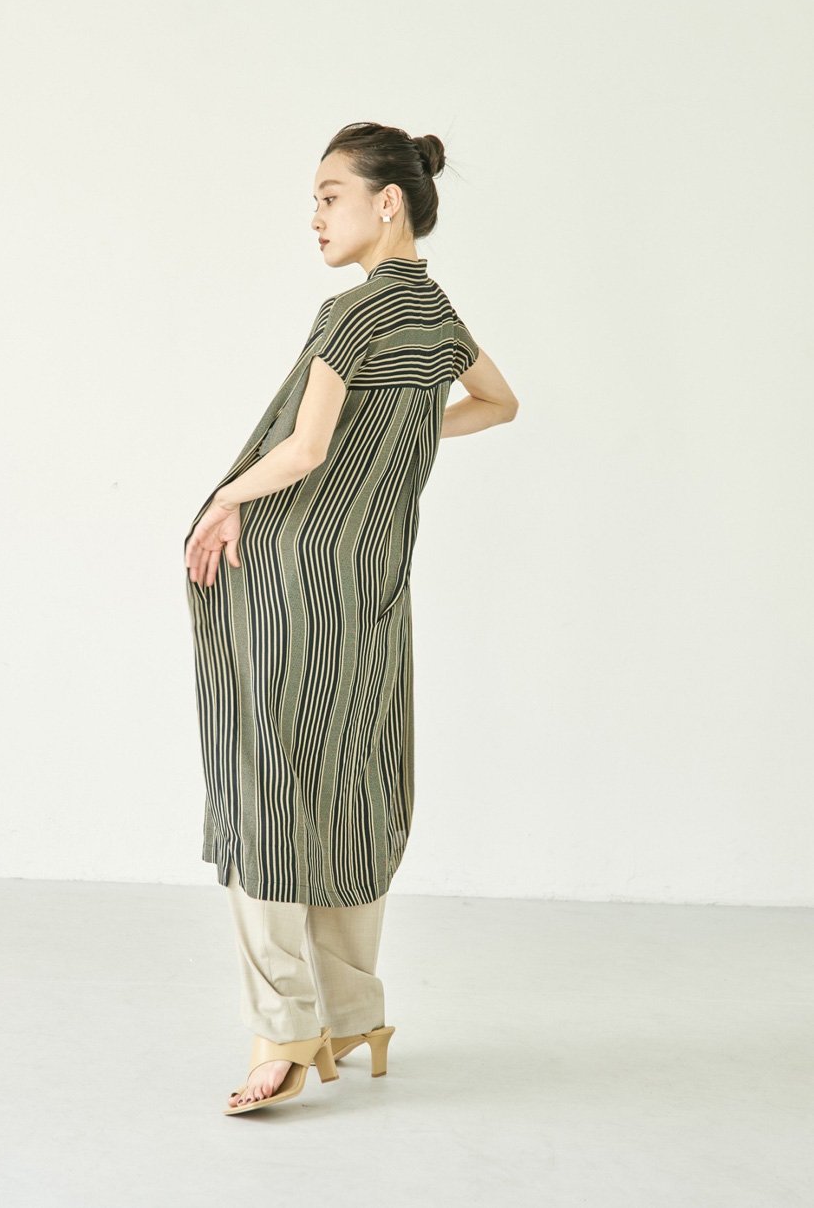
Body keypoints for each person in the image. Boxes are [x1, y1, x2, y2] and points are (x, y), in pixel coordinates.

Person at [183, 121, 519, 1113]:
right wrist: (405, 433)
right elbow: (498, 401)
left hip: (294, 582)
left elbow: (303, 450)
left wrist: (223, 498)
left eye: (330, 195)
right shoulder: (436, 314)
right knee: (350, 782)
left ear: (388, 201)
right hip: (372, 587)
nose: (317, 216)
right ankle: (356, 1012)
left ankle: (285, 1031)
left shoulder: (353, 312)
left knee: (267, 786)